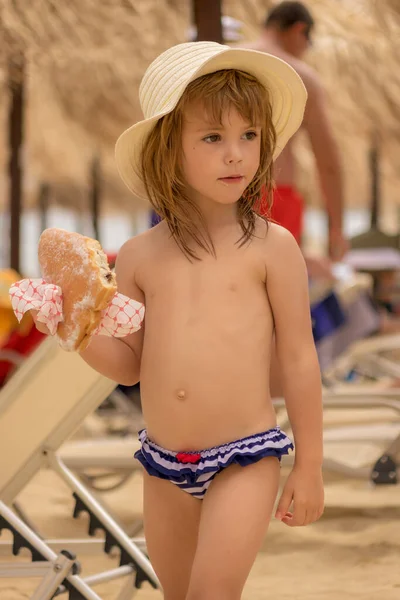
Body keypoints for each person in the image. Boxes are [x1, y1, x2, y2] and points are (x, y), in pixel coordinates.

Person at [33, 41, 324, 600]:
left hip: (246, 456)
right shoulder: (139, 256)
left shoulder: (271, 247)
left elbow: (297, 357)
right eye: (213, 138)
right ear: (169, 149)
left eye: (248, 136)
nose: (235, 154)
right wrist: (75, 326)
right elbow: (131, 366)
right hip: (162, 462)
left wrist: (308, 465)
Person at [237, 1, 347, 261]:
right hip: (275, 197)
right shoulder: (303, 77)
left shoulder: (227, 62)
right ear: (299, 30)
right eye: (309, 42)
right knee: (277, 293)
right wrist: (337, 229)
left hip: (222, 192)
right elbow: (328, 162)